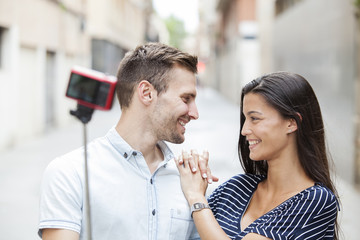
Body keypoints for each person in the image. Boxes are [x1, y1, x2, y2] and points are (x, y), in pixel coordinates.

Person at [38, 42, 217, 240]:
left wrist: (198, 200)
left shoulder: (190, 182)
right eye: (186, 99)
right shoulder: (70, 173)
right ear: (147, 93)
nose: (195, 113)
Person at [175, 72, 340, 240]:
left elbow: (200, 210)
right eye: (245, 119)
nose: (244, 130)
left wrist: (196, 197)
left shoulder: (317, 200)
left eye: (254, 118)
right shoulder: (236, 189)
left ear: (291, 123)